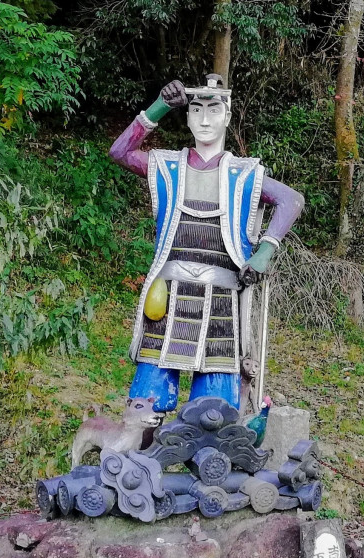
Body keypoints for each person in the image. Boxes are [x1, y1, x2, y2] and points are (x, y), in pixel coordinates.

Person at [109, 75, 304, 413]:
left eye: (214, 110)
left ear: (227, 118)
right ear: (187, 117)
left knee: (213, 411)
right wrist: (159, 107)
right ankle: (137, 459)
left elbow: (291, 200)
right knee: (146, 402)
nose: (204, 118)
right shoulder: (167, 167)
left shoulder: (244, 175)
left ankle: (207, 455)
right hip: (167, 298)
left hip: (221, 302)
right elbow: (120, 151)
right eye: (196, 110)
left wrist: (264, 251)